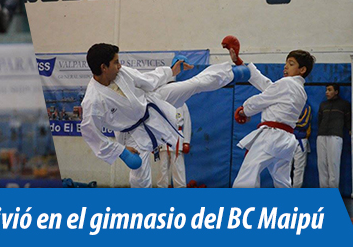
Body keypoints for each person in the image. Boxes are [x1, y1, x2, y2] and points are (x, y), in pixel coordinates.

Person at [80, 37, 249, 188]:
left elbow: (147, 80)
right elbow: (90, 133)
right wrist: (121, 151)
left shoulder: (121, 73)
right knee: (139, 174)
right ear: (103, 67)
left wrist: (171, 71)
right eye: (116, 62)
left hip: (151, 102)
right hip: (131, 134)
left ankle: (231, 73)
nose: (120, 65)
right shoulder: (93, 100)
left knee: (192, 85)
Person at [233, 50, 315, 188]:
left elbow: (261, 99)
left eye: (291, 64)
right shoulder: (299, 90)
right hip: (287, 140)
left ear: (302, 69)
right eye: (286, 63)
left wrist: (244, 110)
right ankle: (289, 208)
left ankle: (242, 206)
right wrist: (240, 63)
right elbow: (267, 86)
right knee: (282, 181)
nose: (285, 66)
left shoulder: (286, 84)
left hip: (272, 136)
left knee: (247, 174)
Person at [317, 84, 350, 188]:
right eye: (326, 90)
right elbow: (319, 120)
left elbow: (348, 120)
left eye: (330, 90)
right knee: (322, 164)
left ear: (336, 92)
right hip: (321, 136)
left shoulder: (344, 105)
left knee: (333, 164)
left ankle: (333, 192)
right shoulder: (323, 105)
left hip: (335, 136)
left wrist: (350, 129)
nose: (327, 92)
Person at [157, 103, 190, 188]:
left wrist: (186, 141)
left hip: (177, 137)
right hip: (163, 137)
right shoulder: (162, 101)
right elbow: (155, 123)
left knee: (178, 169)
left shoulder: (182, 104)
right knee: (162, 169)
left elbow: (187, 122)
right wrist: (155, 142)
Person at [292, 103, 312, 188]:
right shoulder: (287, 105)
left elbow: (304, 123)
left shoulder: (306, 107)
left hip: (301, 140)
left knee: (299, 168)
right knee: (284, 167)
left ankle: (295, 190)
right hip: (287, 139)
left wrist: (291, 123)